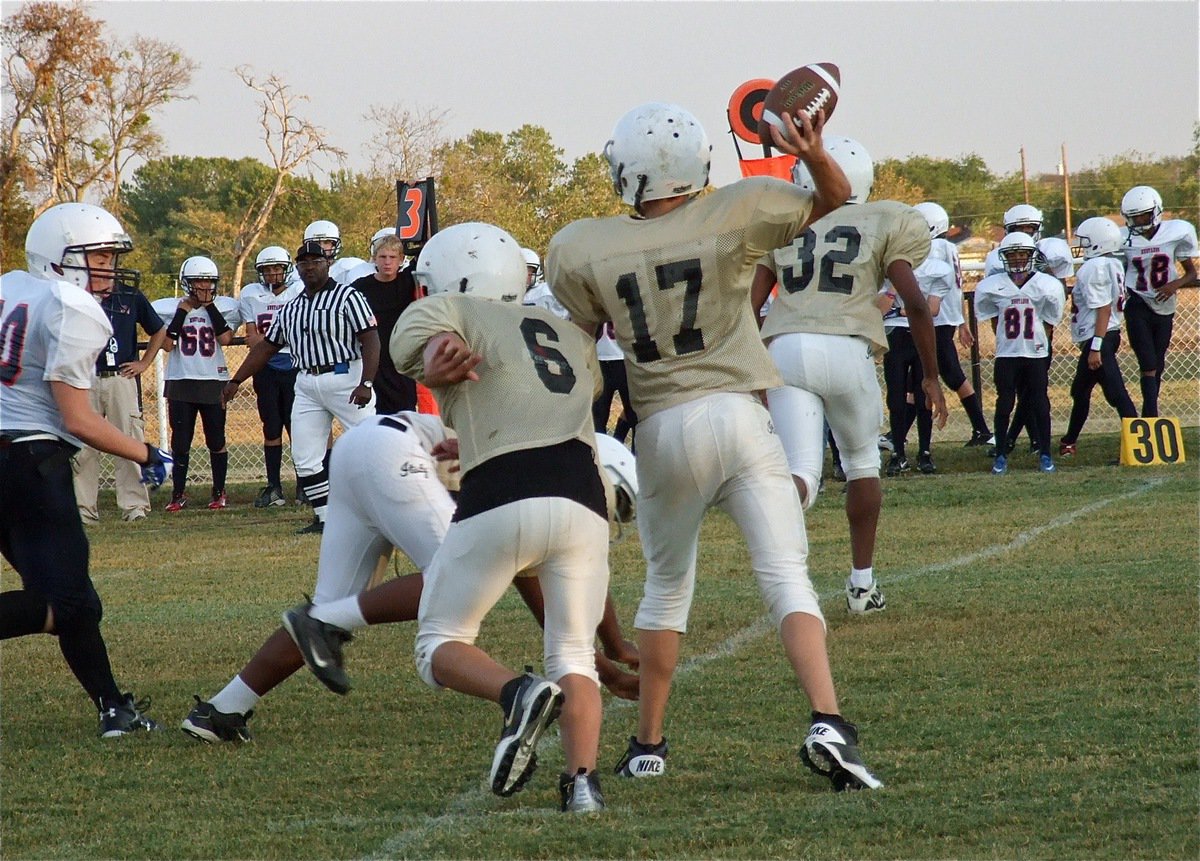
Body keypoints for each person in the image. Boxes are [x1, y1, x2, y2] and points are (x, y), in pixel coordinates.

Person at [547, 102, 882, 792]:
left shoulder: (585, 243)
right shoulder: (740, 206)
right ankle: (828, 719)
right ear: (697, 163)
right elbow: (836, 196)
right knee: (786, 574)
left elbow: (580, 339)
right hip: (736, 409)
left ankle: (647, 743)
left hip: (663, 424)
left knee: (668, 587)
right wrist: (814, 149)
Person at [180, 408, 641, 750]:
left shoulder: (545, 464)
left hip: (367, 449)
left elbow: (544, 584)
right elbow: (549, 589)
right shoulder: (552, 480)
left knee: (333, 604)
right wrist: (606, 658)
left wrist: (609, 658)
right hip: (397, 455)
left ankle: (223, 710)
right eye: (616, 503)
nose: (608, 517)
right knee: (452, 577)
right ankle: (323, 623)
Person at [382, 222, 613, 812]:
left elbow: (427, 345)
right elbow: (546, 406)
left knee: (439, 643)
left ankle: (517, 691)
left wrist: (436, 367)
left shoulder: (445, 309)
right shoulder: (568, 334)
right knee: (574, 654)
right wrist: (473, 437)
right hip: (583, 498)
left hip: (504, 494)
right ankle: (582, 785)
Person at [750, 135, 946, 616]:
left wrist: (748, 371)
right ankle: (862, 586)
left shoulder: (780, 226)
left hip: (786, 347)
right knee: (861, 464)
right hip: (846, 346)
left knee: (801, 477)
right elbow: (916, 303)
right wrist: (931, 376)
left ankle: (776, 559)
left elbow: (747, 310)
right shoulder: (886, 219)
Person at [0, 202, 171, 737]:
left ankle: (113, 707)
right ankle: (113, 708)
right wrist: (145, 453)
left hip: (12, 456)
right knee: (69, 602)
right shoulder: (72, 306)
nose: (108, 268)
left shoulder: (10, 285)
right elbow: (78, 417)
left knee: (72, 600)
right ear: (59, 259)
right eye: (96, 255)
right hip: (28, 463)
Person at [222, 239, 379, 534]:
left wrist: (366, 382)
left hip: (345, 375)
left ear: (327, 264)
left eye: (315, 261)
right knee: (306, 457)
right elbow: (267, 347)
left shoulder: (348, 297)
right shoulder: (291, 307)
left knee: (368, 449)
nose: (309, 267)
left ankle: (379, 513)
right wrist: (235, 380)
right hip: (306, 381)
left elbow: (371, 338)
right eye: (303, 263)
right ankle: (325, 518)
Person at [72, 264, 168, 523]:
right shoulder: (78, 295)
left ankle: (134, 506)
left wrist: (145, 362)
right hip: (86, 377)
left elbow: (159, 330)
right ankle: (84, 510)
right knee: (83, 447)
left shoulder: (130, 295)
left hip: (120, 377)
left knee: (128, 441)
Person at [152, 257, 242, 511]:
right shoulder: (170, 308)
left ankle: (218, 491)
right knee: (181, 442)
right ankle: (178, 493)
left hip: (213, 380)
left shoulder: (223, 307)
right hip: (181, 380)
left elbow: (225, 338)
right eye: (198, 282)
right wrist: (183, 311)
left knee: (216, 439)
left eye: (209, 282)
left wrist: (209, 307)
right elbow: (168, 345)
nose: (204, 287)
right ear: (186, 283)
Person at [983, 204, 1074, 456]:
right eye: (1019, 228)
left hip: (1039, 326)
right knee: (1019, 391)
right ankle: (1021, 440)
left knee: (1033, 389)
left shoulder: (1050, 250)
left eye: (1030, 228)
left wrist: (1048, 327)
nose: (1025, 232)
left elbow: (1060, 290)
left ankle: (1022, 440)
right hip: (1012, 335)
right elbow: (993, 304)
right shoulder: (997, 257)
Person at [973, 233, 1065, 474]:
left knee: (1040, 403)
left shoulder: (1045, 284)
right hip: (1007, 353)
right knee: (1004, 404)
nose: (1016, 259)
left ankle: (1045, 453)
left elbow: (1050, 320)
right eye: (1012, 255)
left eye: (1021, 254)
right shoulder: (994, 285)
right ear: (1004, 258)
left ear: (1031, 256)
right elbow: (991, 317)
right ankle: (1001, 454)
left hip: (1034, 353)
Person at [913, 201, 994, 447]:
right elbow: (956, 286)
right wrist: (960, 321)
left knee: (936, 374)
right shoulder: (948, 247)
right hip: (946, 316)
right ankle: (981, 429)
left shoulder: (935, 247)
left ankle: (982, 430)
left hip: (935, 318)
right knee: (946, 374)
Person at [1058, 217, 1137, 454]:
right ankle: (1068, 441)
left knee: (1115, 393)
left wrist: (1095, 346)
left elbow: (1103, 308)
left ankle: (1139, 443)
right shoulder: (1111, 263)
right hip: (1105, 335)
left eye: (1086, 241)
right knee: (1080, 391)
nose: (1081, 245)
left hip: (1099, 337)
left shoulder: (1095, 267)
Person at [1119, 185, 1199, 417]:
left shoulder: (1175, 233)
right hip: (1137, 301)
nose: (1139, 220)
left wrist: (1175, 284)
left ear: (1156, 211)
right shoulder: (1123, 239)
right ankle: (1150, 415)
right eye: (1134, 216)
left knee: (1158, 362)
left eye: (1143, 214)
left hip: (1165, 306)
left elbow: (1192, 273)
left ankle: (1150, 413)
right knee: (1147, 361)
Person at [238, 245, 303, 508]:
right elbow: (252, 339)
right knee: (271, 427)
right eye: (267, 270)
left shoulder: (299, 291)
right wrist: (272, 340)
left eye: (277, 268)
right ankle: (274, 486)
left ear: (286, 269)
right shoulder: (252, 294)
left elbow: (297, 332)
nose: (273, 274)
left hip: (295, 364)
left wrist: (268, 340)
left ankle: (304, 486)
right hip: (265, 367)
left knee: (297, 428)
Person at [349, 233, 419, 413]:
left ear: (401, 259)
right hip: (373, 360)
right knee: (374, 413)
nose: (387, 262)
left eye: (392, 257)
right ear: (374, 259)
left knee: (405, 412)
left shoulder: (408, 281)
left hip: (402, 358)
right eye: (383, 257)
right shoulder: (360, 287)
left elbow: (424, 255)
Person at [520, 247, 570, 318]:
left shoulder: (546, 294)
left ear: (537, 272)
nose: (525, 275)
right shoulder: (503, 289)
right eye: (520, 270)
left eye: (529, 271)